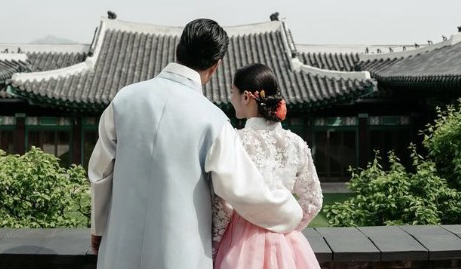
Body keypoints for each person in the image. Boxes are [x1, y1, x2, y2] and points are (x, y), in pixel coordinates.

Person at [88, 19, 303, 269]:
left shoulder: (123, 100)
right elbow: (244, 190)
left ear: (178, 49)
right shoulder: (212, 119)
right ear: (216, 65)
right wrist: (290, 211)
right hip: (181, 255)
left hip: (119, 249)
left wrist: (99, 227)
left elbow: (100, 172)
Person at [213, 63, 323, 269]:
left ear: (246, 97)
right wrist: (286, 225)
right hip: (287, 242)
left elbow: (223, 204)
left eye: (232, 92)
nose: (230, 98)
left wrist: (215, 244)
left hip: (241, 242)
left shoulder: (235, 142)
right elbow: (313, 200)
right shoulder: (296, 143)